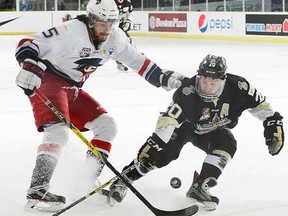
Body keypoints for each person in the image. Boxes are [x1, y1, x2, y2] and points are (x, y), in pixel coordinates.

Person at [15, 0, 185, 212]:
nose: (107, 28)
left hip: (71, 89)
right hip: (48, 82)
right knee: (58, 132)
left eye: (112, 22)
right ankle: (37, 190)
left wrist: (166, 78)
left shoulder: (116, 38)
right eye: (102, 23)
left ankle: (86, 184)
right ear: (91, 20)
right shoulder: (70, 31)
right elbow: (27, 43)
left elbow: (140, 63)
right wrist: (29, 66)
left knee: (108, 126)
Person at [108, 54, 285, 210]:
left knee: (227, 144)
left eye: (213, 82)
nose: (207, 86)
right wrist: (155, 143)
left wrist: (273, 123)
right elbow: (168, 121)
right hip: (184, 128)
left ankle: (201, 186)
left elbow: (261, 106)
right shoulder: (187, 91)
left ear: (222, 81)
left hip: (212, 130)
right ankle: (123, 180)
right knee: (160, 156)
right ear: (199, 77)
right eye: (204, 81)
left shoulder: (239, 87)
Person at [114, 0, 133, 72]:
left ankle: (134, 57)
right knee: (114, 44)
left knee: (129, 40)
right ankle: (119, 62)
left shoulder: (127, 3)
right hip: (109, 26)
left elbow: (130, 13)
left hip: (119, 24)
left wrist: (128, 21)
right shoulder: (109, 2)